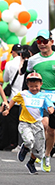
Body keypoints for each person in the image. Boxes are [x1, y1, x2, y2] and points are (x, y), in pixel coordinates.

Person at [3, 72, 54, 174]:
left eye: (36, 86)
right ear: (27, 85)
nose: (34, 88)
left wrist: (51, 110)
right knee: (29, 141)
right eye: (31, 86)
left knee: (38, 149)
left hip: (37, 124)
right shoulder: (23, 94)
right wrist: (8, 109)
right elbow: (13, 100)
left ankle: (31, 162)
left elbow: (50, 106)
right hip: (25, 123)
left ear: (41, 84)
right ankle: (25, 148)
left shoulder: (43, 96)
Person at [26, 29, 55, 172]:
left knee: (52, 131)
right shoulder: (33, 60)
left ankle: (47, 155)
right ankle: (39, 152)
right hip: (39, 98)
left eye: (45, 41)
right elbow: (28, 79)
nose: (42, 44)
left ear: (51, 42)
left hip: (54, 97)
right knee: (42, 126)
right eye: (39, 41)